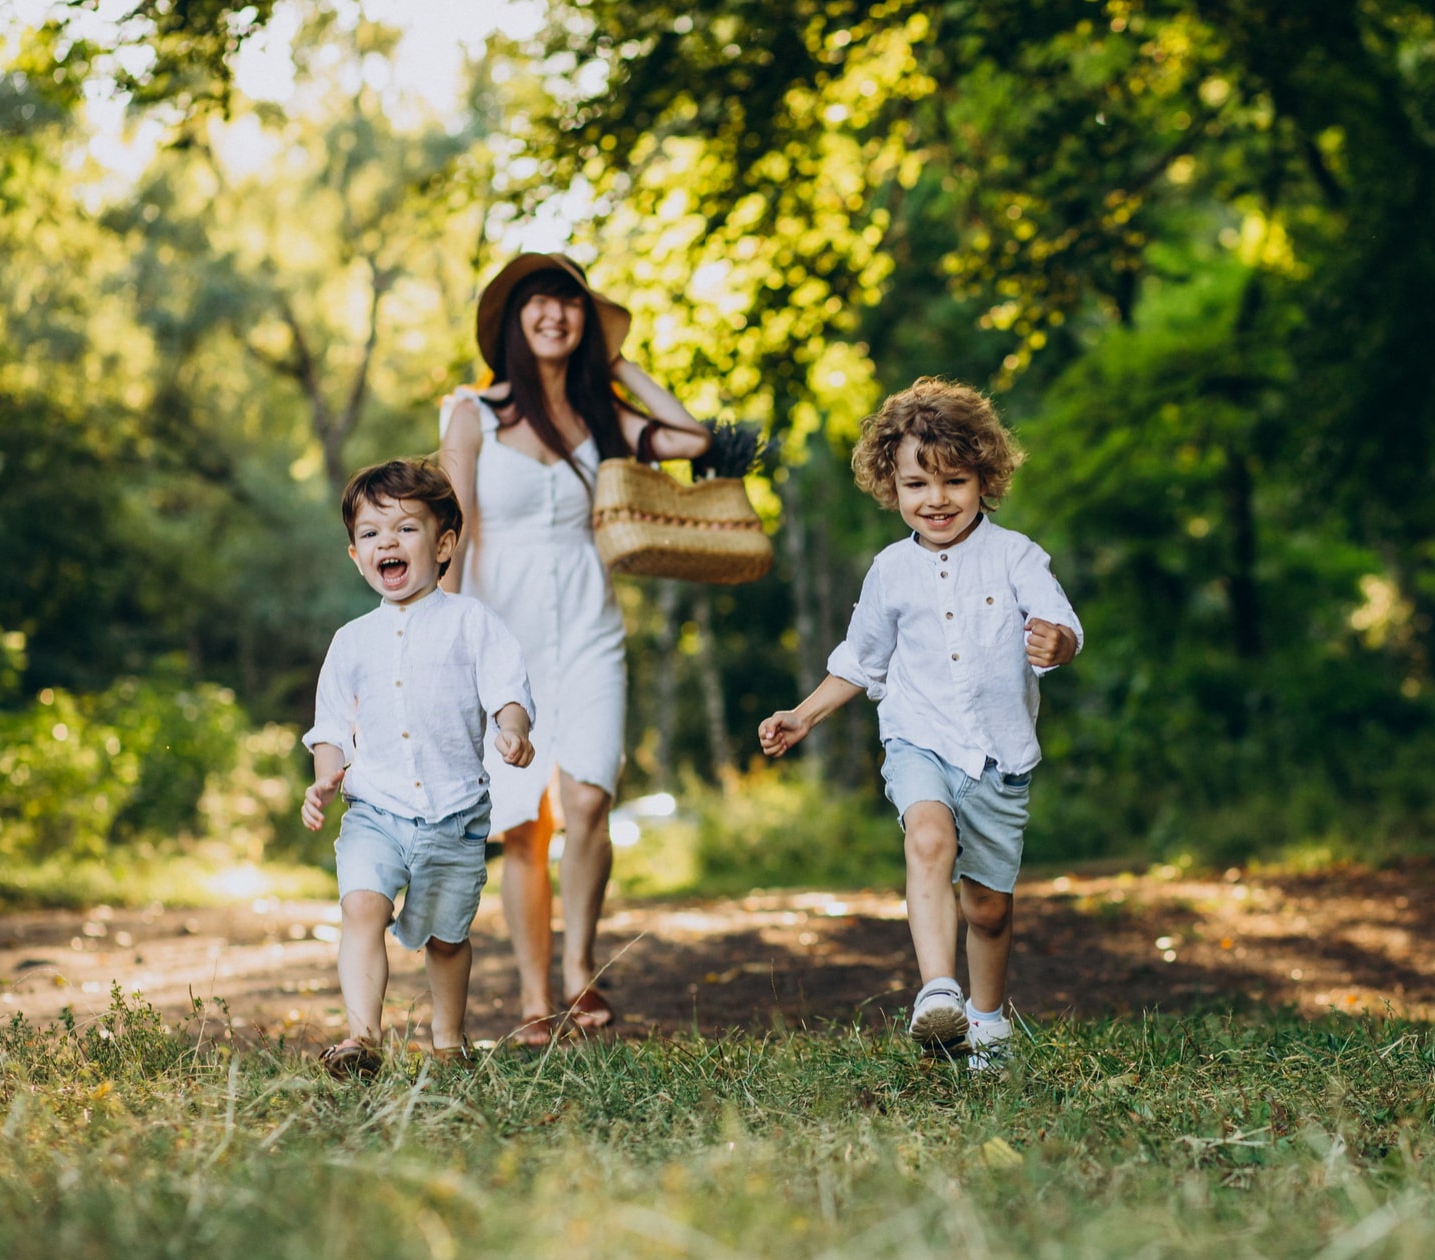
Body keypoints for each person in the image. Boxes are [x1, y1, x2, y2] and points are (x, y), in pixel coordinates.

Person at [758, 378, 1083, 1069]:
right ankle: (940, 992)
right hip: (919, 742)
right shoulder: (890, 572)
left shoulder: (1016, 556)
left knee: (989, 909)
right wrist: (803, 714)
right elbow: (861, 661)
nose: (935, 500)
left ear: (984, 478)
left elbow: (1061, 623)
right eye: (916, 484)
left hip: (1000, 756)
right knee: (928, 840)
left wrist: (1060, 643)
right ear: (891, 485)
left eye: (954, 481)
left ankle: (988, 1022)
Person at [439, 253, 709, 1045]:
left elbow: (693, 438)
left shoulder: (601, 415)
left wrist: (620, 363)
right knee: (523, 821)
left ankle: (579, 969)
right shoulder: (473, 413)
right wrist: (443, 632)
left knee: (589, 800)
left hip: (591, 627)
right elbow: (453, 525)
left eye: (571, 304)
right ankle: (532, 997)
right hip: (500, 631)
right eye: (540, 304)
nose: (555, 315)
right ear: (514, 322)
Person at [301, 458, 537, 1076]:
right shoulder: (351, 641)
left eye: (406, 529)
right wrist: (327, 775)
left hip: (454, 815)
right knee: (361, 907)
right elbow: (331, 727)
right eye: (372, 534)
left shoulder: (471, 623)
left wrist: (512, 729)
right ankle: (361, 1039)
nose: (388, 543)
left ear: (444, 544)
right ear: (356, 555)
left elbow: (507, 689)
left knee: (446, 938)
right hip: (374, 809)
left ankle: (449, 1042)